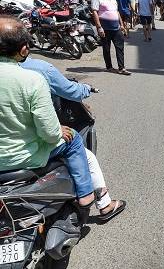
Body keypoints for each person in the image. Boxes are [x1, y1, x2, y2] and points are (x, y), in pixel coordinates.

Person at [0, 16, 96, 226]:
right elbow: (50, 133)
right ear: (24, 49)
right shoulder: (34, 78)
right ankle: (86, 194)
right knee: (73, 140)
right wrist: (58, 130)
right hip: (23, 159)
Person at [20, 56, 127, 221]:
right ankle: (99, 201)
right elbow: (68, 92)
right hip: (27, 149)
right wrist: (85, 89)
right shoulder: (36, 72)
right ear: (22, 48)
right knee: (83, 151)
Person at [92, 0, 130, 75]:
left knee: (120, 47)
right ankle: (109, 67)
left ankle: (121, 68)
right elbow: (95, 12)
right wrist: (99, 27)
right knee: (106, 48)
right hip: (105, 28)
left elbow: (116, 12)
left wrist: (121, 25)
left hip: (116, 28)